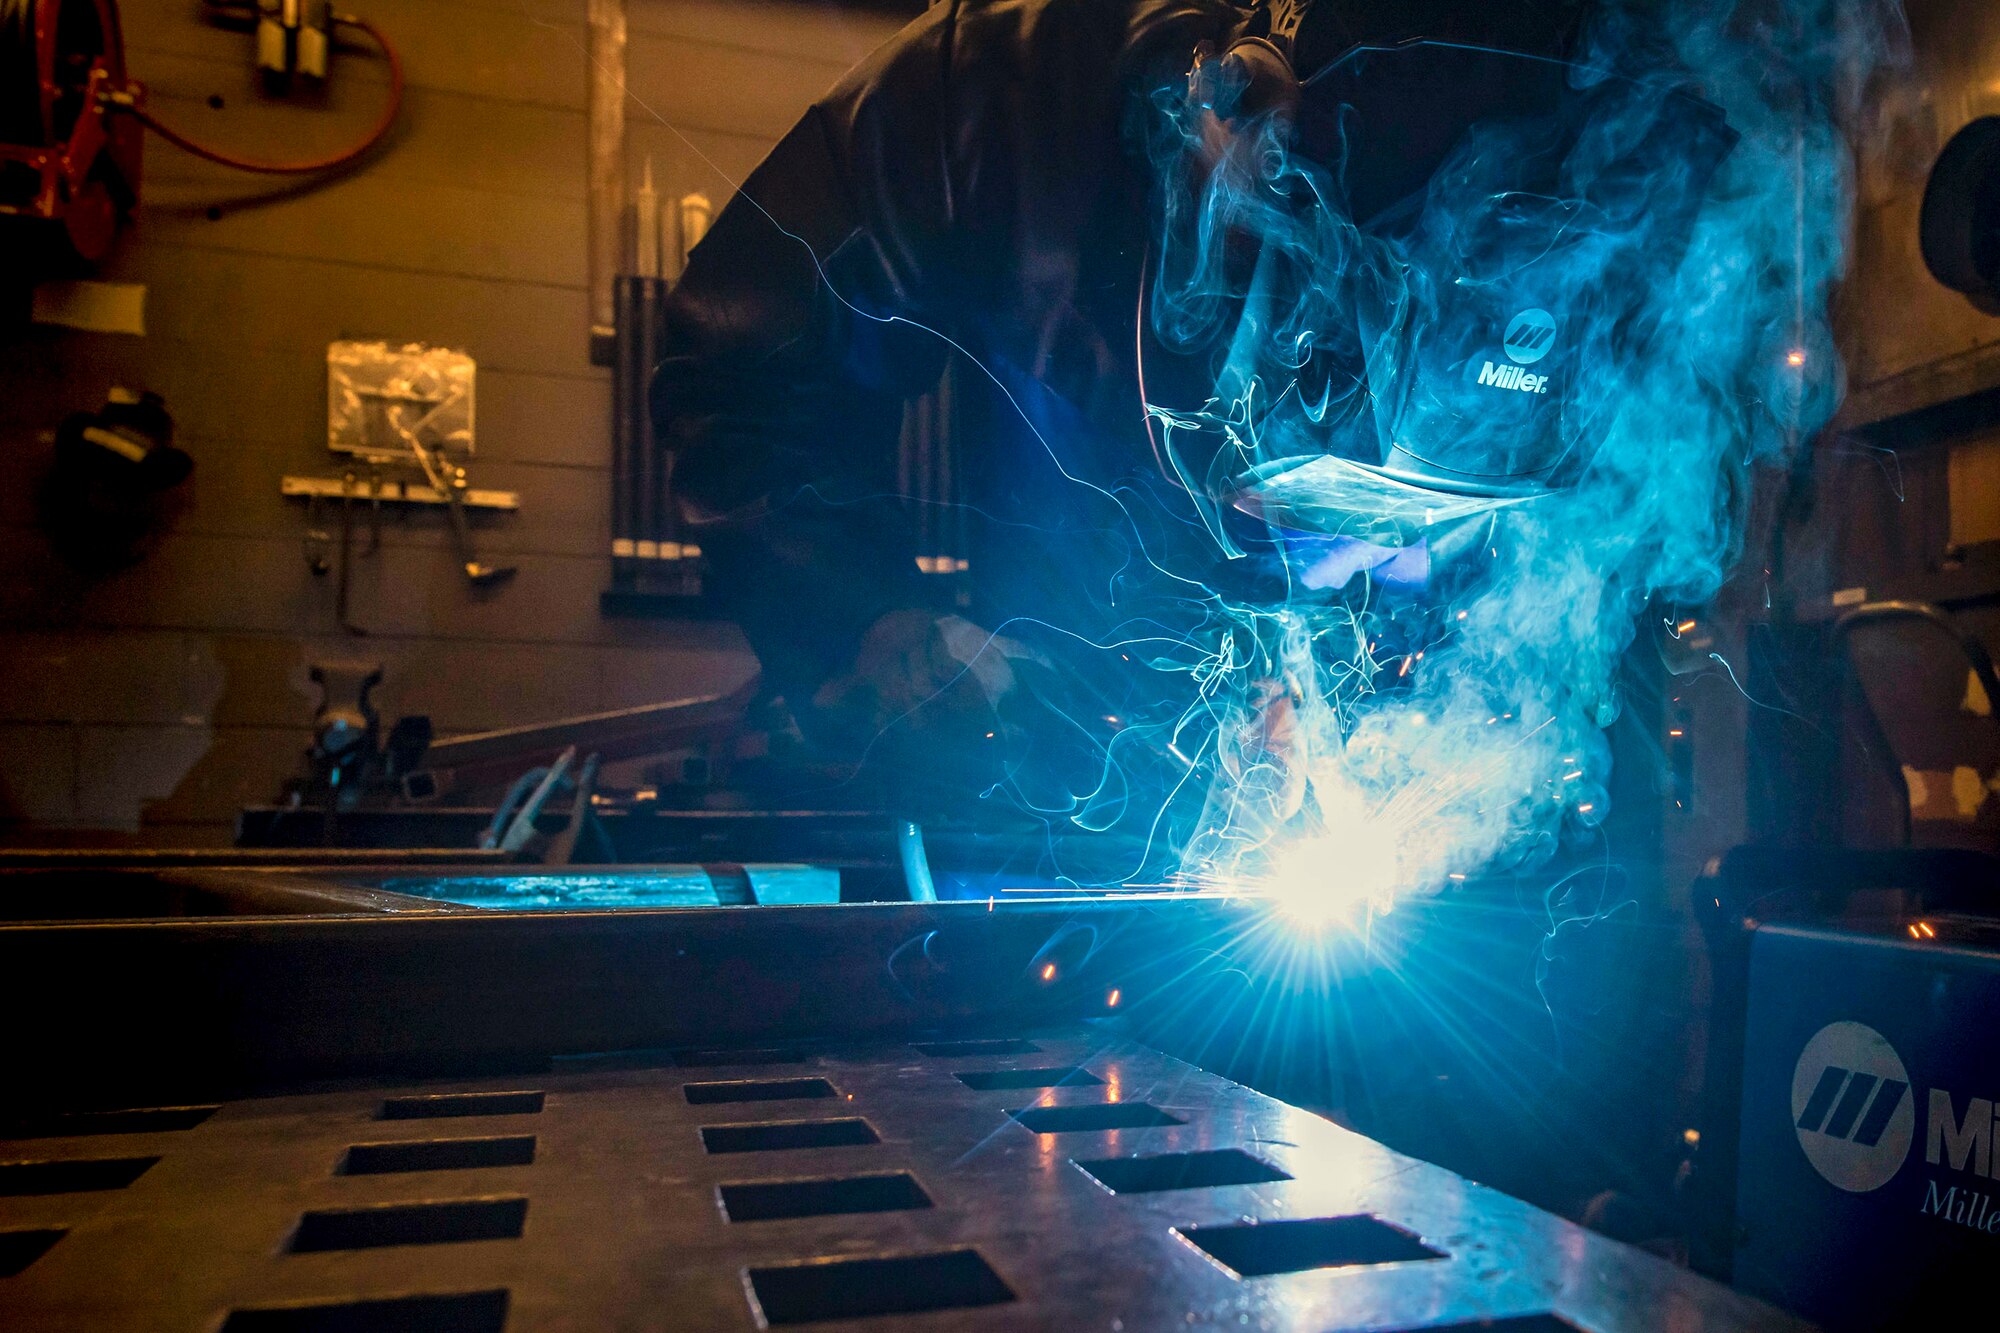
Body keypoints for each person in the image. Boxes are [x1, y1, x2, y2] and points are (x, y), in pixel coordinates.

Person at [650, 0, 1591, 827]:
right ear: (1233, 125)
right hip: (1055, 692)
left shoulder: (1627, 198)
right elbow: (745, 366)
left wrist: (1388, 675)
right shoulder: (1010, 104)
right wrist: (857, 620)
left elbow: (1601, 530)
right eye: (1331, 344)